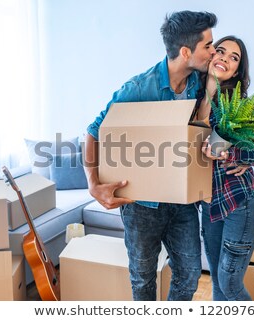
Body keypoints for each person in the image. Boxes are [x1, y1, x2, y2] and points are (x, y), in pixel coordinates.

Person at [84, 11, 217, 301]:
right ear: (185, 52)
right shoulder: (138, 89)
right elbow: (94, 132)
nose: (212, 51)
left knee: (190, 273)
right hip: (141, 204)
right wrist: (93, 185)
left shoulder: (198, 82)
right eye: (207, 45)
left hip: (181, 199)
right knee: (143, 278)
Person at [198, 35, 254, 300]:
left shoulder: (239, 104)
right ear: (210, 56)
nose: (225, 58)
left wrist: (233, 154)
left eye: (234, 57)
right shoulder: (192, 101)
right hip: (209, 205)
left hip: (240, 203)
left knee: (229, 282)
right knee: (217, 281)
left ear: (237, 70)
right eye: (221, 51)